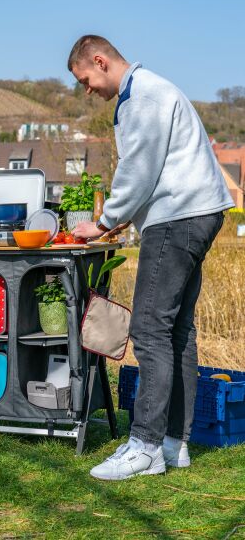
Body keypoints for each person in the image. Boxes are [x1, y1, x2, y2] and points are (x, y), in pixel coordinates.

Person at [68, 36, 234, 480]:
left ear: (100, 61)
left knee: (149, 329)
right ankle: (172, 443)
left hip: (176, 217)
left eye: (86, 80)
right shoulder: (155, 91)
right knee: (177, 329)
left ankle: (143, 447)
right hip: (199, 212)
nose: (89, 90)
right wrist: (122, 220)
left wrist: (103, 222)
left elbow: (139, 168)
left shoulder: (143, 95)